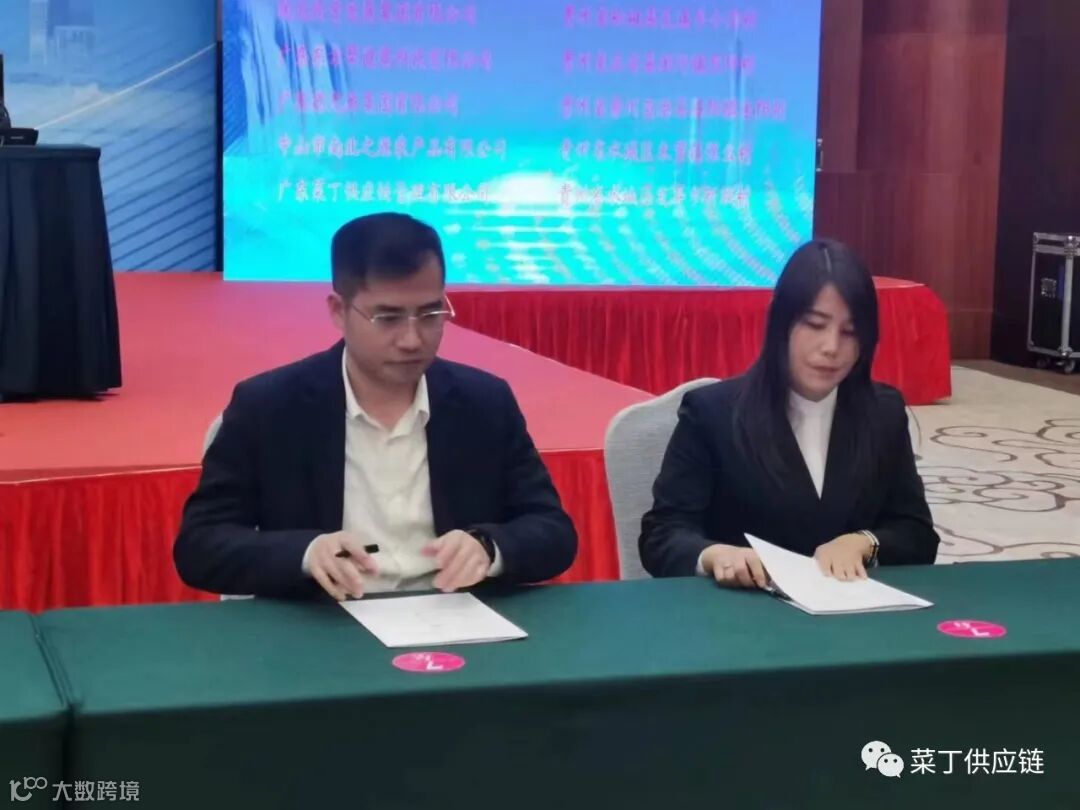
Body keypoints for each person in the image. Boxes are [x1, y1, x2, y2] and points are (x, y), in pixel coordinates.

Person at [175, 212, 577, 599]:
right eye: (388, 318)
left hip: (458, 620)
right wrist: (305, 553)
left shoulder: (484, 403)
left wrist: (489, 546)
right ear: (339, 311)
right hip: (324, 624)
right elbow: (201, 545)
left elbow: (553, 530)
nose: (412, 340)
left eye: (430, 314)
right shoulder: (270, 407)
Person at [639, 238, 939, 586]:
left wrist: (864, 542)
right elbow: (662, 535)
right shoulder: (712, 414)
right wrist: (715, 555)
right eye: (815, 324)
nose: (831, 347)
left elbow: (917, 533)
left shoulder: (883, 413)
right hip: (744, 609)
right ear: (781, 323)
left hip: (850, 610)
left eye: (850, 332)